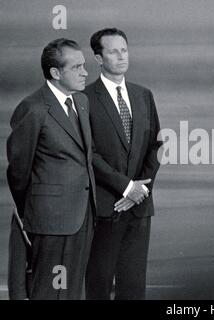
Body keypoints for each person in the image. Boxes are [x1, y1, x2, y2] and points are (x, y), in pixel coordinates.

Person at [6, 38, 96, 299]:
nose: (85, 72)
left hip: (83, 217)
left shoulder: (81, 102)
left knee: (71, 292)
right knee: (48, 292)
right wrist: (38, 211)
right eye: (77, 67)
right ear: (55, 73)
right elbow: (18, 171)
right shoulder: (33, 108)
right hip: (50, 222)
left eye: (84, 66)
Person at [84, 28, 161, 300]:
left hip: (139, 209)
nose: (121, 56)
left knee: (133, 287)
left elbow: (156, 146)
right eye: (113, 51)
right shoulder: (84, 98)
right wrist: (126, 187)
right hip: (105, 207)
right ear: (98, 58)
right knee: (99, 284)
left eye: (124, 50)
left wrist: (139, 191)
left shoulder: (143, 95)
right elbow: (88, 153)